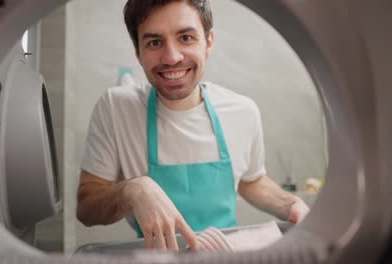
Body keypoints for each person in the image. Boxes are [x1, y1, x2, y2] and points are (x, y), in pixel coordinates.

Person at [76, 0, 309, 251]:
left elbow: (250, 181)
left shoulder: (243, 111)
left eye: (185, 37)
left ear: (208, 42)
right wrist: (134, 190)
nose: (172, 57)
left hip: (223, 255)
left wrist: (291, 204)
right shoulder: (116, 108)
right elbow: (87, 208)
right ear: (138, 52)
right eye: (154, 42)